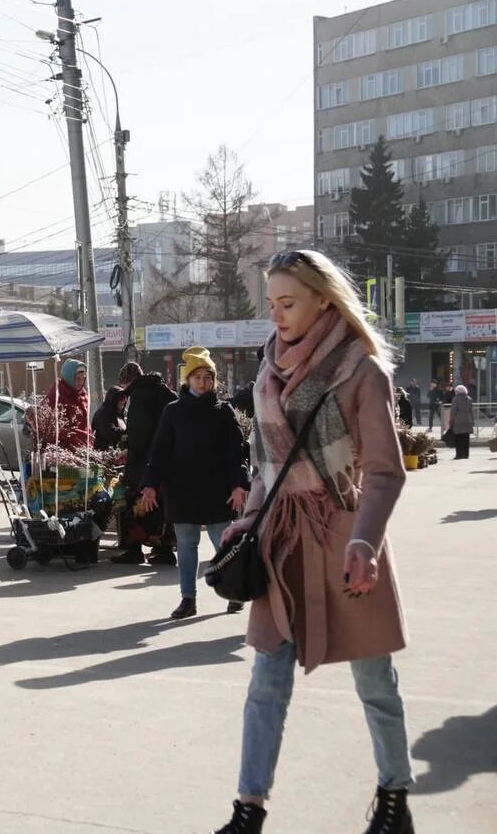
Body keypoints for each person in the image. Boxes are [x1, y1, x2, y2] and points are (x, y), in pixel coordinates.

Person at [210, 250, 413, 834]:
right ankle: (248, 810)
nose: (276, 315)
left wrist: (366, 543)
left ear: (324, 298)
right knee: (266, 682)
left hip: (349, 540)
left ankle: (394, 799)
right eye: (270, 304)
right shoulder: (267, 371)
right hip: (281, 543)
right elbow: (264, 469)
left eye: (288, 303)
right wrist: (249, 520)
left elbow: (384, 472)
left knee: (375, 682)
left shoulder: (361, 370)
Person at [137, 347, 250, 619]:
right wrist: (150, 485)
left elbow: (237, 451)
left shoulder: (223, 411)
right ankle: (188, 599)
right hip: (182, 491)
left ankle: (233, 592)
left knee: (224, 545)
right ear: (187, 379)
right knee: (186, 547)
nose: (203, 382)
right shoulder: (173, 412)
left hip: (217, 491)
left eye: (208, 377)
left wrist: (239, 485)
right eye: (198, 376)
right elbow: (159, 452)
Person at [115, 361, 178, 565]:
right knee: (162, 505)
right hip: (167, 460)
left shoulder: (140, 396)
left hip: (143, 462)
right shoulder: (163, 390)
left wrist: (129, 448)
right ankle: (164, 549)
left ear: (128, 381)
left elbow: (139, 435)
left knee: (136, 503)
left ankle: (134, 550)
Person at [43, 358, 93, 450]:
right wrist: (81, 435)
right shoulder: (56, 396)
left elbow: (85, 423)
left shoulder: (82, 395)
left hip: (83, 448)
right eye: (77, 378)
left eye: (83, 378)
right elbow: (55, 429)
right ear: (69, 377)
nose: (81, 382)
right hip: (63, 450)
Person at [90, 385, 128, 451]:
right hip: (103, 454)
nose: (123, 401)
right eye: (120, 398)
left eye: (125, 398)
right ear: (113, 399)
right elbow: (109, 433)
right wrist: (126, 434)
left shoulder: (118, 413)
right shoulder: (104, 413)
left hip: (115, 452)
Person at [446, 384, 474, 460]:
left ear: (457, 391)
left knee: (458, 439)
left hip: (458, 421)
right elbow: (471, 411)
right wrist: (472, 421)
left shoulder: (455, 399)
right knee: (466, 438)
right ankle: (466, 454)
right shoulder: (469, 399)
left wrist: (451, 422)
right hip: (468, 421)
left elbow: (453, 412)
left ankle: (459, 455)